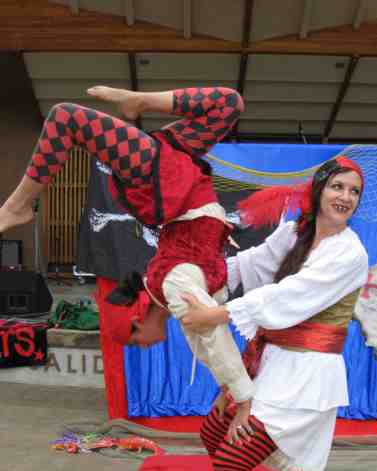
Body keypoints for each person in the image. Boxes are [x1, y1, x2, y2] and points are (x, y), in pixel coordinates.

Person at [0, 85, 254, 426]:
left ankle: (16, 207)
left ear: (136, 320)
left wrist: (241, 395)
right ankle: (140, 101)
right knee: (230, 104)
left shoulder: (168, 282)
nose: (143, 346)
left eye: (134, 339)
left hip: (165, 173)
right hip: (176, 176)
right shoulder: (177, 292)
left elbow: (210, 339)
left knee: (65, 117)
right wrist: (234, 391)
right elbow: (208, 339)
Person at [181, 156, 369, 471]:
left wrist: (214, 315)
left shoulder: (351, 253)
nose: (345, 197)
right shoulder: (295, 231)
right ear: (318, 189)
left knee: (232, 460)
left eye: (354, 191)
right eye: (338, 186)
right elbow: (255, 264)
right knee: (213, 434)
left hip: (305, 375)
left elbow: (289, 295)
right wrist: (198, 275)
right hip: (272, 362)